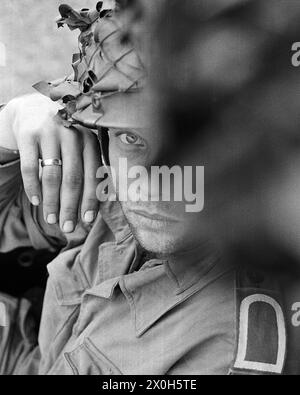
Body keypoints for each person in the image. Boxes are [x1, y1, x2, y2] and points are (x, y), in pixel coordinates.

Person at [0, 0, 299, 375]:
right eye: (130, 137)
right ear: (102, 138)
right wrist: (11, 125)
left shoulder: (224, 355)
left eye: (189, 147)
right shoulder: (109, 191)